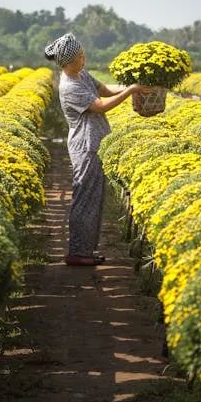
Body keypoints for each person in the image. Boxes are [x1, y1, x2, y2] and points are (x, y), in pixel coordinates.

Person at [44, 33, 145, 266]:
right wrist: (130, 91)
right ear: (68, 62)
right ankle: (77, 253)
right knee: (84, 198)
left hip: (94, 143)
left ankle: (85, 251)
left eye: (83, 54)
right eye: (80, 56)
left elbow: (104, 89)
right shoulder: (69, 86)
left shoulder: (80, 75)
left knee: (94, 198)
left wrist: (133, 87)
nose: (84, 58)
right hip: (85, 145)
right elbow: (99, 106)